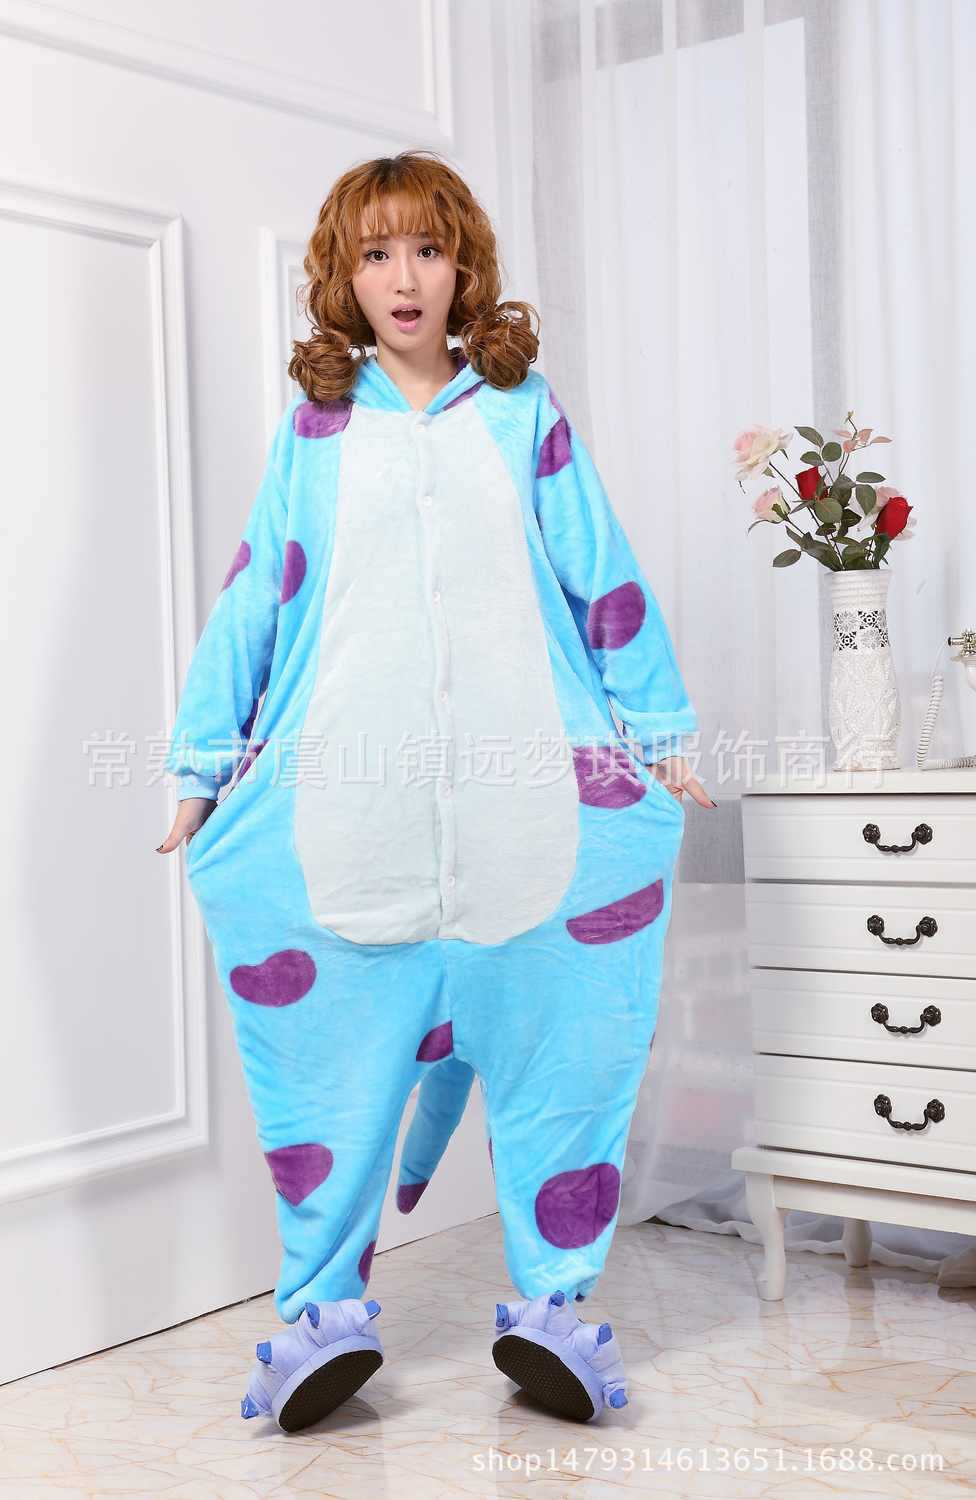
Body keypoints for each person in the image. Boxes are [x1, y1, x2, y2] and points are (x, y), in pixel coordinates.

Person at [157, 148, 713, 1433]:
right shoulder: (316, 431)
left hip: (530, 815)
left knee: (563, 1057)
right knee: (330, 1076)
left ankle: (554, 1313)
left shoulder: (521, 412)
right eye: (375, 254)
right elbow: (256, 598)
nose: (403, 277)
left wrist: (660, 730)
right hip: (351, 817)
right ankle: (320, 1321)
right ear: (342, 278)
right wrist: (199, 762)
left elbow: (598, 568)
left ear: (464, 267)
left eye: (426, 249)